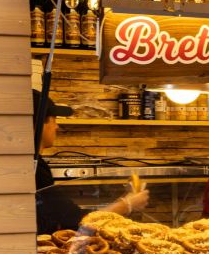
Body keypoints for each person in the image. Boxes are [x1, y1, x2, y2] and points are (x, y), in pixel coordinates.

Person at [34, 89, 149, 234]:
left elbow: (69, 216)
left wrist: (125, 201)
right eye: (54, 119)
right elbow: (80, 222)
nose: (57, 127)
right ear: (40, 124)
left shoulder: (35, 164)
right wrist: (128, 204)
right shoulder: (36, 169)